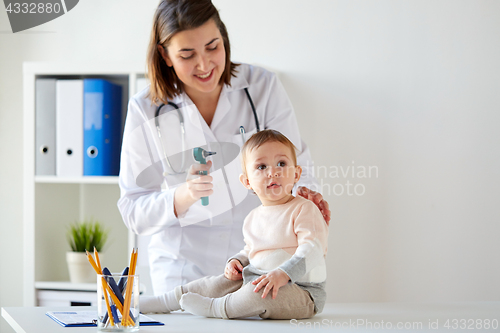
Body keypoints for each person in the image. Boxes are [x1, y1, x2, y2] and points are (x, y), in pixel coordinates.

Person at [117, 0, 331, 296]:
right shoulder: (145, 109)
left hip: (259, 258)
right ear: (165, 55)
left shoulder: (262, 87)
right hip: (182, 267)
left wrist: (306, 196)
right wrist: (184, 194)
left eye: (213, 47)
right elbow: (133, 210)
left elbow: (294, 163)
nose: (204, 65)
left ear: (224, 38)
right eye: (187, 55)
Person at [140, 129, 328, 319]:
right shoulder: (254, 217)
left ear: (296, 174)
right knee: (215, 283)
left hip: (301, 291)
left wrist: (284, 273)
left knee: (258, 295)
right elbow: (251, 251)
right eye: (262, 167)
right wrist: (237, 261)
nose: (273, 172)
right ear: (247, 181)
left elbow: (313, 249)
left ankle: (216, 308)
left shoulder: (304, 209)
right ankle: (164, 301)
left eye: (281, 163)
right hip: (259, 277)